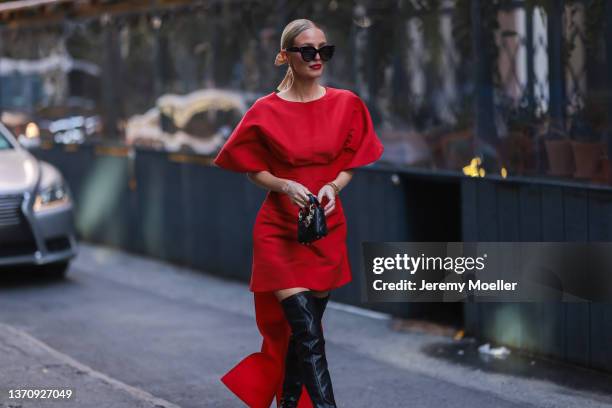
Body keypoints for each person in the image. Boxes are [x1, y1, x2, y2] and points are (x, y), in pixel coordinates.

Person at [213, 18, 384, 408]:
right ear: (285, 56)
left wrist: (333, 187)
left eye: (324, 50)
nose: (317, 57)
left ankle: (290, 401)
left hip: (324, 229)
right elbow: (250, 165)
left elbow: (352, 158)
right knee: (309, 334)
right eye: (308, 51)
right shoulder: (265, 110)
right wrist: (285, 185)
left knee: (299, 335)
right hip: (278, 231)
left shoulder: (346, 103)